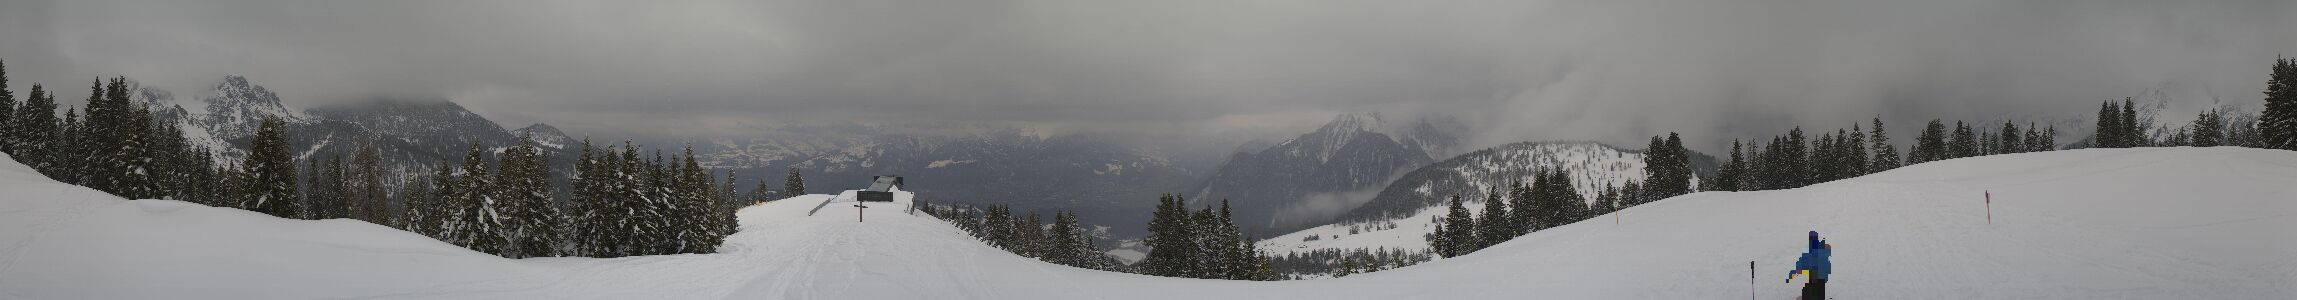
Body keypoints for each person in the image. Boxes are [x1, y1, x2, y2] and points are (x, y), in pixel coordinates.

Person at [1787, 231, 1832, 299]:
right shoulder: (1818, 251)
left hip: (1818, 274)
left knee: (1813, 289)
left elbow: (1804, 260)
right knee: (1814, 289)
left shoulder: (1817, 252)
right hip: (1817, 274)